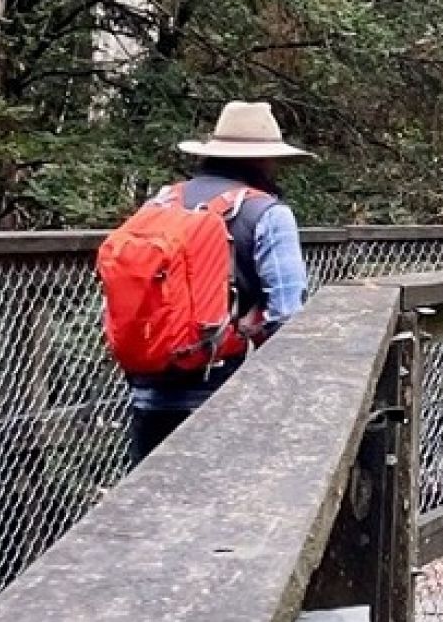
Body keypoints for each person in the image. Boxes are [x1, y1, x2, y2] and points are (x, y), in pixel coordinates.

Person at [123, 100, 310, 465]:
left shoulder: (162, 202)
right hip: (222, 392)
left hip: (148, 389)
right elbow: (287, 318)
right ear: (263, 160)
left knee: (151, 507)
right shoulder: (268, 213)